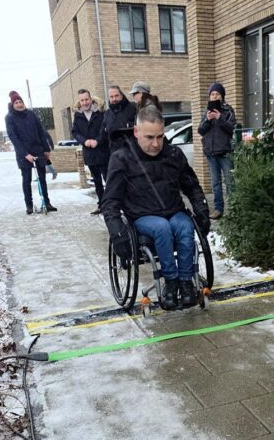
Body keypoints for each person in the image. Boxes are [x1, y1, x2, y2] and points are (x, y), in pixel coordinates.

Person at [101, 105, 210, 310]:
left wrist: (202, 210)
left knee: (185, 226)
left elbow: (192, 186)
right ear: (136, 132)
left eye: (160, 137)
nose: (156, 144)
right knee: (162, 228)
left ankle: (186, 282)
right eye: (149, 137)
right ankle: (171, 282)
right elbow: (110, 201)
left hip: (173, 211)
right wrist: (117, 233)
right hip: (142, 216)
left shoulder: (173, 154)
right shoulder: (122, 158)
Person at [5, 91, 56, 214]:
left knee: (42, 179)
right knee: (26, 180)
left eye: (20, 102)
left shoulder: (31, 114)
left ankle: (47, 203)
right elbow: (13, 137)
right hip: (23, 153)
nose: (19, 104)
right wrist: (25, 154)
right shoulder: (10, 118)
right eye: (16, 103)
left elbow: (41, 132)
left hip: (38, 150)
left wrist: (46, 149)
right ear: (12, 105)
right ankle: (29, 205)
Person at [198, 82, 236, 220]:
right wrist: (208, 120)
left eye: (217, 94)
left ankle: (233, 209)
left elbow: (231, 129)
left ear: (222, 96)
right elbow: (200, 130)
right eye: (212, 94)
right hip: (211, 152)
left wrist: (220, 118)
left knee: (230, 182)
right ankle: (218, 209)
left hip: (225, 152)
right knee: (215, 183)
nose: (214, 96)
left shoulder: (228, 110)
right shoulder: (207, 111)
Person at [71, 89, 107, 215]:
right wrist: (84, 141)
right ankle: (101, 205)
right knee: (97, 181)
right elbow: (75, 132)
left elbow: (105, 129)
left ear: (91, 99)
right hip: (89, 154)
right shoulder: (78, 116)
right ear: (79, 101)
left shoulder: (100, 112)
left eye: (87, 99)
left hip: (103, 152)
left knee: (109, 180)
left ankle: (112, 205)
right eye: (82, 100)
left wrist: (98, 141)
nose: (85, 102)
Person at [102, 84, 136, 158]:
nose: (114, 99)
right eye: (111, 97)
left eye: (116, 96)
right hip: (114, 154)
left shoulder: (132, 108)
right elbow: (103, 134)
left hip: (132, 152)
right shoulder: (107, 114)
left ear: (121, 95)